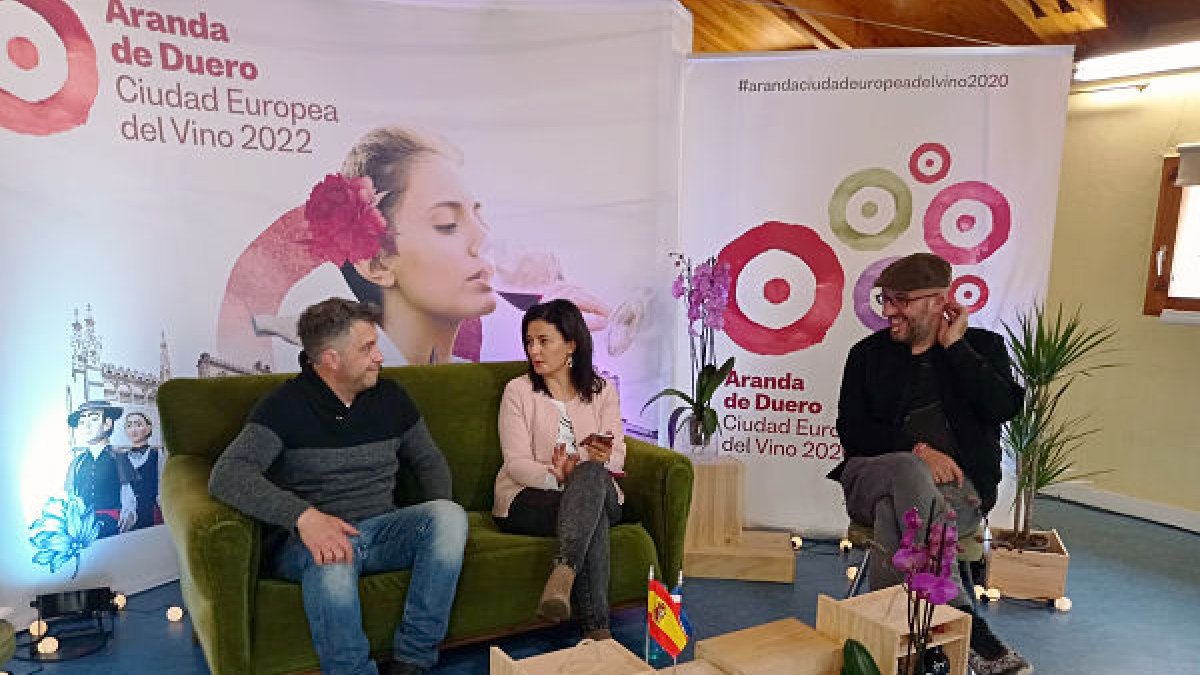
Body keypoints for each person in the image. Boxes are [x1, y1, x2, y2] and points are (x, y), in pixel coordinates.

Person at [209, 298, 468, 675]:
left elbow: (429, 460)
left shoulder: (391, 397)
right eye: (367, 348)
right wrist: (304, 517)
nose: (379, 357)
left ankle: (412, 660)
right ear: (331, 359)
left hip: (382, 531)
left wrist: (434, 529)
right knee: (331, 557)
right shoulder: (283, 406)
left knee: (449, 516)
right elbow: (228, 474)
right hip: (309, 541)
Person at [830, 253, 1033, 675]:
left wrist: (955, 348)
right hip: (870, 477)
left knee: (894, 514)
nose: (889, 310)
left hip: (959, 492)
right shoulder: (866, 355)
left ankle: (897, 654)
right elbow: (852, 431)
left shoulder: (981, 349)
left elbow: (1004, 407)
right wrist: (918, 450)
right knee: (908, 469)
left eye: (901, 300)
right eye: (885, 299)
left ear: (940, 301)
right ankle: (961, 616)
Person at [493, 299, 626, 641]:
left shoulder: (602, 391)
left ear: (571, 345)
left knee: (591, 475)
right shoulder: (518, 391)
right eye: (529, 341)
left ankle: (565, 569)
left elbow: (618, 456)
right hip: (529, 496)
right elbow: (516, 463)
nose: (533, 350)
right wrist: (556, 477)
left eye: (543, 341)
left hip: (593, 486)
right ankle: (598, 630)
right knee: (591, 513)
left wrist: (593, 463)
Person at [65, 400, 137, 537]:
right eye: (82, 422)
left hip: (112, 522)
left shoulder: (118, 457)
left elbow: (127, 491)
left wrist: (129, 511)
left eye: (93, 419)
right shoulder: (77, 462)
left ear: (107, 423)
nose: (86, 426)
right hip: (84, 526)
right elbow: (70, 494)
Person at [123, 411, 165, 529]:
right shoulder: (122, 458)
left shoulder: (157, 454)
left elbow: (162, 484)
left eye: (138, 424)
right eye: (129, 425)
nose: (133, 429)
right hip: (128, 515)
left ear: (148, 428)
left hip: (152, 512)